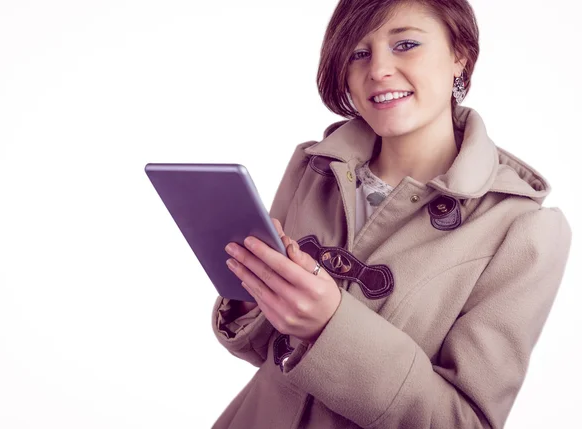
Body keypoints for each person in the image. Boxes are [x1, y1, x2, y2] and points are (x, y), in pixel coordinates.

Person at [210, 0, 572, 428]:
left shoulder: (523, 230)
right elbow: (266, 354)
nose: (378, 69)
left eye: (405, 44)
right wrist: (255, 288)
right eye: (359, 52)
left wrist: (329, 327)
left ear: (460, 55)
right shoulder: (315, 168)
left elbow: (464, 422)